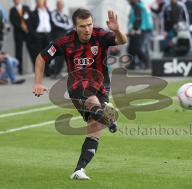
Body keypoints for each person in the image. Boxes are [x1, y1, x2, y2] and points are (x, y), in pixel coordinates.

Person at [33, 8, 127, 180]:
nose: (87, 29)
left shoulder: (100, 36)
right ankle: (107, 117)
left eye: (89, 25)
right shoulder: (65, 41)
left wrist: (117, 30)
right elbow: (41, 57)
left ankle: (79, 170)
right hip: (78, 86)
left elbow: (122, 41)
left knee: (95, 128)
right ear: (75, 27)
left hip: (102, 87)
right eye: (82, 26)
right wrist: (38, 83)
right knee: (93, 102)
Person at [9, 0, 35, 75]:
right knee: (18, 51)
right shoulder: (12, 10)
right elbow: (13, 21)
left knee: (31, 50)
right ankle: (20, 69)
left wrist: (28, 28)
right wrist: (21, 26)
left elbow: (31, 17)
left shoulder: (26, 8)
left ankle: (35, 67)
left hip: (27, 33)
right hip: (18, 33)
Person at [127, 0, 153, 70]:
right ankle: (132, 64)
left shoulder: (137, 6)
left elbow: (138, 18)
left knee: (138, 48)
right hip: (140, 29)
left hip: (140, 29)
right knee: (130, 48)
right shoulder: (140, 5)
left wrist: (134, 29)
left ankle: (147, 62)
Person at [29, 0, 53, 76]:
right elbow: (30, 27)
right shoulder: (33, 13)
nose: (39, 2)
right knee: (39, 55)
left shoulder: (48, 12)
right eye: (38, 1)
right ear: (36, 3)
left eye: (41, 1)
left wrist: (50, 33)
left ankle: (47, 71)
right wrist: (35, 35)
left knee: (48, 54)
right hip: (38, 35)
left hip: (47, 35)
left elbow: (51, 23)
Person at [50, 0, 73, 79]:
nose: (61, 6)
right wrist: (65, 26)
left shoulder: (64, 15)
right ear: (57, 5)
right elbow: (55, 22)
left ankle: (59, 72)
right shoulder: (53, 13)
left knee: (63, 54)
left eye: (62, 5)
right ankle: (55, 72)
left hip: (64, 36)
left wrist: (66, 26)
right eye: (59, 5)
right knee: (57, 54)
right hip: (57, 35)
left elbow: (70, 24)